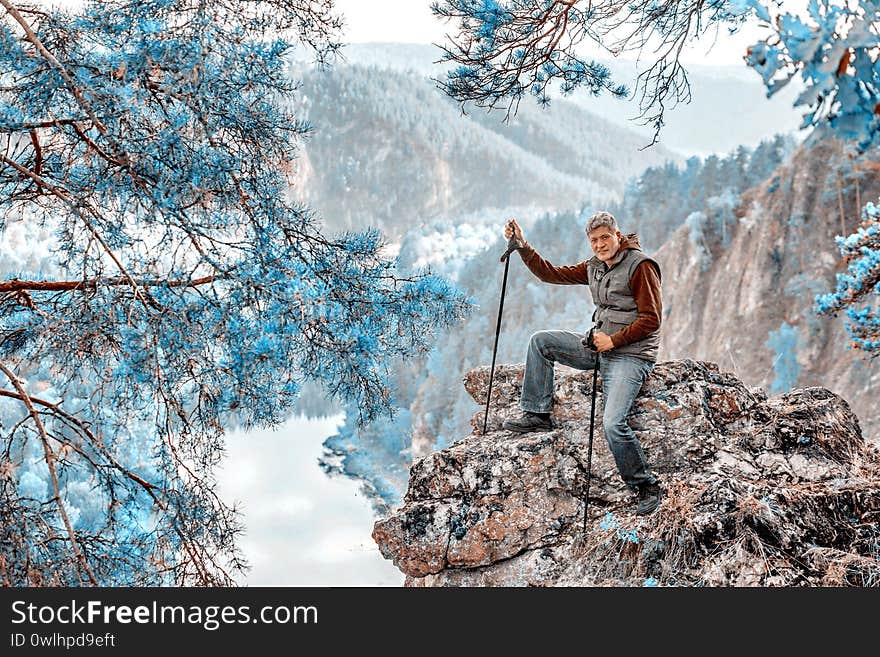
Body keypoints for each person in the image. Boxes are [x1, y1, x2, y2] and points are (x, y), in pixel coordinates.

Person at [501, 211, 663, 515]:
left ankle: (644, 486)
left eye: (605, 237)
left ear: (617, 235)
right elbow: (551, 273)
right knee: (541, 341)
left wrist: (614, 341)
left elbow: (652, 319)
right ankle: (537, 414)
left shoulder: (641, 267)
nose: (600, 244)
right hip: (599, 345)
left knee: (613, 423)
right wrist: (522, 245)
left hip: (630, 354)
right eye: (594, 240)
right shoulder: (595, 267)